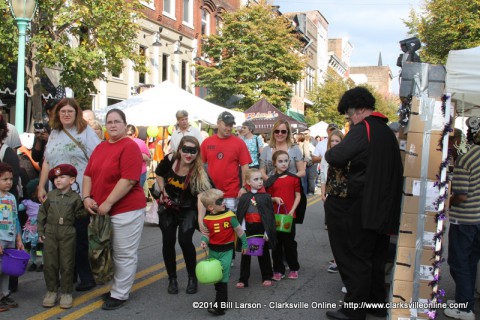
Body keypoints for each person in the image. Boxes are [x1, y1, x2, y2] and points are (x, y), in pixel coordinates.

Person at [323, 87, 403, 320]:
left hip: (360, 206)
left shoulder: (363, 128)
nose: (349, 120)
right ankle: (376, 304)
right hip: (383, 207)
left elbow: (336, 156)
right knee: (376, 259)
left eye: (349, 115)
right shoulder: (386, 131)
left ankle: (354, 310)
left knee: (354, 257)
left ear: (359, 110)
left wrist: (332, 152)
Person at [83, 108, 146, 310]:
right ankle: (116, 287)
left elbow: (128, 180)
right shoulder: (101, 147)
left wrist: (108, 203)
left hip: (126, 210)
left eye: (117, 121)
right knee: (108, 251)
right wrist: (86, 197)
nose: (112, 125)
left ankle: (120, 293)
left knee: (123, 253)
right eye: (109, 122)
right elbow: (88, 175)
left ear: (125, 126)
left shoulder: (129, 147)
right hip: (103, 210)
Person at [37, 98, 100, 292]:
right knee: (60, 236)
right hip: (56, 195)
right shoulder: (54, 133)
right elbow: (47, 161)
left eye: (70, 111)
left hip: (79, 194)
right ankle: (69, 276)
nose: (66, 114)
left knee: (79, 237)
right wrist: (41, 187)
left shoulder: (85, 132)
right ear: (57, 114)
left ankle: (86, 277)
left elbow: (98, 159)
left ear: (76, 114)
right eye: (62, 111)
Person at [155, 136, 211, 295]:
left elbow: (201, 196)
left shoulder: (199, 170)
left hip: (188, 208)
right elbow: (159, 173)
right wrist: (163, 191)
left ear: (197, 152)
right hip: (168, 206)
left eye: (193, 151)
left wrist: (200, 219)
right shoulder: (171, 159)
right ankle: (172, 278)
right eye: (185, 149)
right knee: (168, 241)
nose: (189, 154)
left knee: (185, 241)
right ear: (179, 149)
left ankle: (192, 278)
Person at [37, 164, 86, 309]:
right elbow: (42, 214)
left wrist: (89, 209)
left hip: (68, 232)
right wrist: (40, 231)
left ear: (72, 180)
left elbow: (80, 215)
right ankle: (52, 291)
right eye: (56, 178)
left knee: (67, 263)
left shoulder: (76, 198)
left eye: (62, 177)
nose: (58, 180)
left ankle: (66, 292)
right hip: (51, 232)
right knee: (50, 263)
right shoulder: (50, 196)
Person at [443, 129, 480, 320]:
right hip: (478, 218)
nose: (446, 150)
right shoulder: (477, 153)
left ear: (456, 142)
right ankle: (464, 300)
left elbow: (461, 195)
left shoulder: (464, 159)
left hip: (465, 219)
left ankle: (465, 308)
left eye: (448, 145)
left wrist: (446, 201)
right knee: (470, 262)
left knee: (458, 263)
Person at [199, 189, 248, 316]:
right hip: (213, 251)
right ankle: (223, 301)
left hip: (226, 252)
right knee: (216, 277)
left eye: (223, 199)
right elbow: (207, 234)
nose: (224, 202)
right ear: (210, 207)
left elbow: (239, 230)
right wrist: (204, 241)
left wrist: (245, 244)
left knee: (222, 278)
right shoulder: (207, 219)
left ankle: (219, 307)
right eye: (220, 201)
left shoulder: (230, 215)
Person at [200, 111, 251, 219]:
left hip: (231, 193)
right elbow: (199, 166)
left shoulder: (239, 143)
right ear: (218, 123)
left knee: (230, 226)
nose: (229, 128)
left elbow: (245, 167)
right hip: (212, 193)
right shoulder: (207, 142)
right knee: (214, 227)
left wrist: (244, 187)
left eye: (231, 125)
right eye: (226, 125)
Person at [264, 150, 303, 281]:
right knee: (276, 244)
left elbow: (298, 195)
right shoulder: (271, 180)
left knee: (289, 243)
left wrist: (292, 210)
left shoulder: (294, 179)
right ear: (274, 163)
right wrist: (274, 198)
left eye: (286, 161)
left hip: (289, 217)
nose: (284, 164)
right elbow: (266, 197)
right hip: (275, 217)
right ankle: (278, 269)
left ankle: (293, 268)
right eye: (280, 161)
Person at [235, 168, 276, 288]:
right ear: (248, 181)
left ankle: (267, 276)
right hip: (247, 228)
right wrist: (241, 231)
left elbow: (269, 217)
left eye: (261, 179)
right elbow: (241, 215)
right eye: (256, 179)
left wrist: (267, 231)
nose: (260, 182)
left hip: (261, 228)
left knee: (263, 253)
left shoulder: (266, 197)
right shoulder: (244, 197)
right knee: (245, 253)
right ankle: (243, 279)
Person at [0, 163, 24, 312]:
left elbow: (15, 218)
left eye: (10, 179)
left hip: (9, 238)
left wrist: (19, 239)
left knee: (6, 269)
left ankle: (4, 294)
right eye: (4, 179)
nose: (9, 182)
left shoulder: (11, 198)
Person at [20, 179, 43, 272]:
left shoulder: (44, 202)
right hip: (31, 228)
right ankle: (33, 262)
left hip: (41, 226)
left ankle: (42, 263)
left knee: (41, 247)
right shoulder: (27, 202)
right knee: (31, 246)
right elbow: (18, 208)